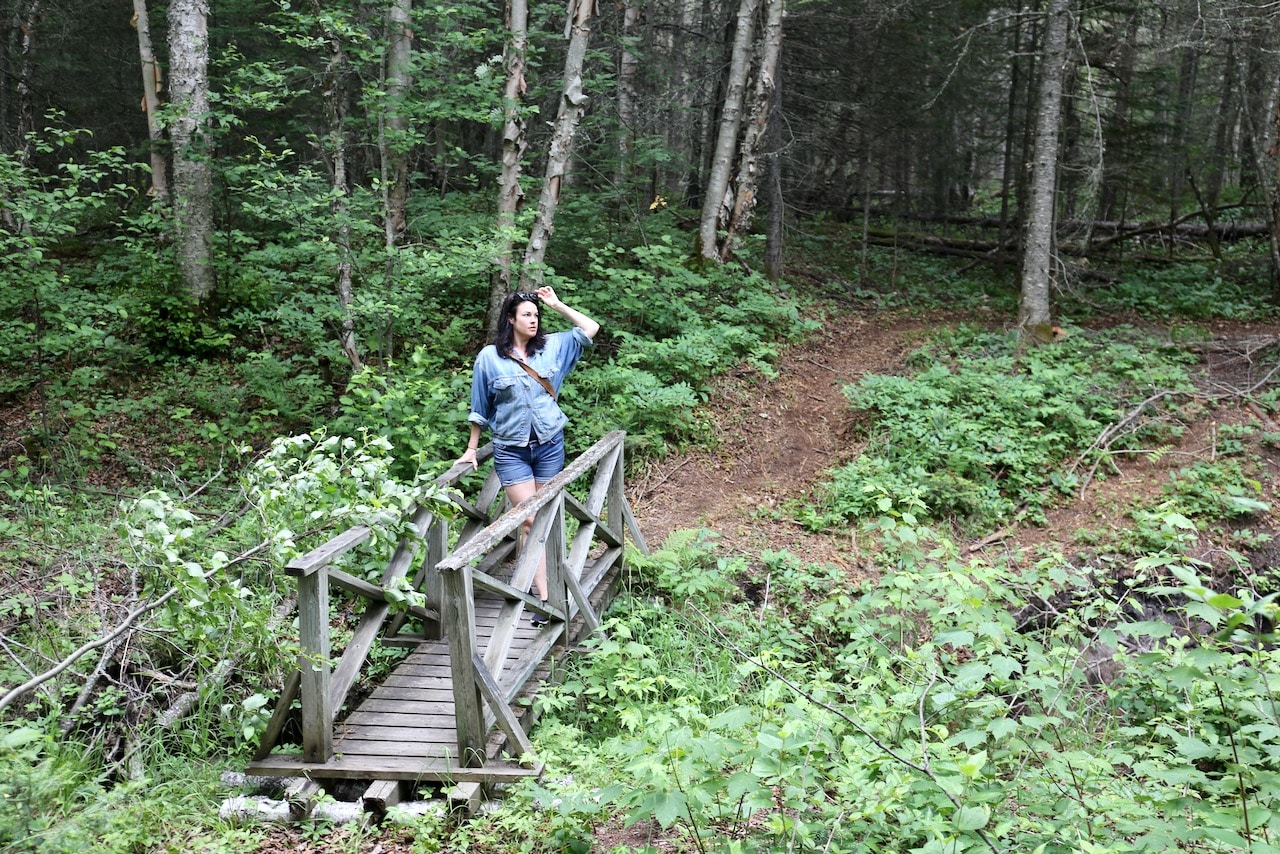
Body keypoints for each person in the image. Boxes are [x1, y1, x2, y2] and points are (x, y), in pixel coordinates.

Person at [456, 286, 600, 626]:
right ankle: (545, 597)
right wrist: (472, 448)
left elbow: (590, 328)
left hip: (549, 444)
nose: (533, 320)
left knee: (546, 519)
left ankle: (549, 584)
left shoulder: (552, 348)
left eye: (536, 315)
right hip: (511, 450)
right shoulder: (489, 358)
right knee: (529, 519)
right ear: (511, 319)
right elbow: (480, 409)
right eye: (526, 315)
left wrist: (557, 304)